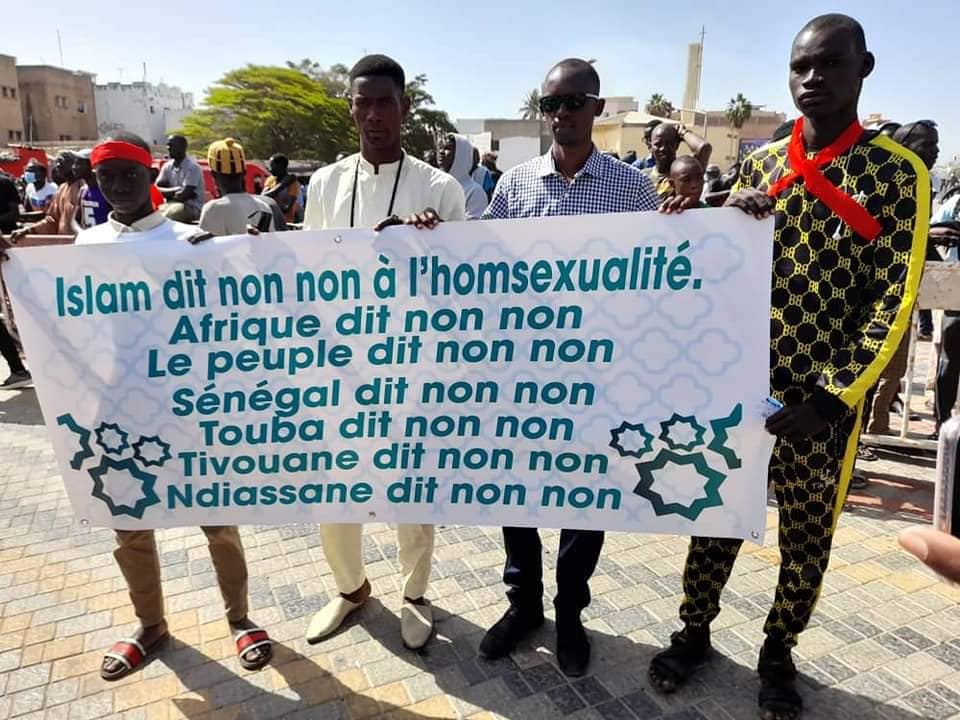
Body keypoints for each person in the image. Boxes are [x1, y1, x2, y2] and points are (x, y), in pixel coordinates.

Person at [647, 15, 929, 720]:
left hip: (821, 405)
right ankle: (694, 631)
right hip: (743, 389)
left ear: (864, 67)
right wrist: (713, 215)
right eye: (801, 66)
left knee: (805, 537)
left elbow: (891, 300)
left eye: (828, 64)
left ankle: (778, 652)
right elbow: (719, 267)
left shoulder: (898, 173)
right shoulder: (764, 166)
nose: (812, 78)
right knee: (715, 516)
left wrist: (832, 400)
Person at [479, 58, 658, 678]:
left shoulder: (633, 188)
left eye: (574, 102)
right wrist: (426, 236)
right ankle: (523, 605)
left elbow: (662, 268)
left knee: (586, 496)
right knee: (517, 489)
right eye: (550, 104)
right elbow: (478, 263)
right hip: (524, 372)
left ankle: (570, 612)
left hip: (598, 373)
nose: (561, 114)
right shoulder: (515, 185)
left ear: (597, 108)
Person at [75, 131, 273, 681]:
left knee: (217, 518)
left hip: (189, 407)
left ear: (151, 175)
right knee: (130, 526)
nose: (118, 186)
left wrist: (245, 258)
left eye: (129, 174)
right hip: (116, 409)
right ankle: (150, 624)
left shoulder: (190, 239)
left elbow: (238, 308)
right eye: (106, 177)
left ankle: (239, 618)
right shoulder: (87, 246)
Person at [302, 54, 464, 651]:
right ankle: (350, 588)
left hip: (412, 368)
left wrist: (433, 243)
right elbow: (308, 268)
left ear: (405, 108)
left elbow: (467, 283)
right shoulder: (324, 183)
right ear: (351, 109)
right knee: (333, 489)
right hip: (340, 367)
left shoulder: (440, 188)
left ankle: (415, 595)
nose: (373, 115)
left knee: (411, 492)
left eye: (384, 103)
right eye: (362, 103)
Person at [860, 120, 940, 437]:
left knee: (894, 368)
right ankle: (863, 433)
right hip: (872, 296)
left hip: (901, 297)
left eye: (936, 145)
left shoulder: (922, 182)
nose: (935, 152)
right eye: (927, 145)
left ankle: (876, 427)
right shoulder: (884, 177)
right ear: (905, 145)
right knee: (866, 367)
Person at [200, 139, 277, 236]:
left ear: (213, 174)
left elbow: (205, 245)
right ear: (244, 172)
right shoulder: (264, 207)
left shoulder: (213, 209)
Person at [12, 152, 83, 238]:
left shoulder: (82, 188)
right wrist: (28, 230)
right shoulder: (62, 189)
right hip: (64, 241)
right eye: (57, 162)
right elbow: (52, 220)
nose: (57, 165)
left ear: (74, 164)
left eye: (61, 161)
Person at [647, 123, 713, 201]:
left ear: (677, 145)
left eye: (669, 143)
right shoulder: (644, 176)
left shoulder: (686, 172)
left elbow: (704, 148)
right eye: (658, 144)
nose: (663, 148)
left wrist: (683, 133)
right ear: (650, 146)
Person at [156, 134, 205, 222]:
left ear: (183, 147)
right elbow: (156, 189)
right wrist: (177, 189)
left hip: (191, 207)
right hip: (170, 204)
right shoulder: (167, 166)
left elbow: (183, 196)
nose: (168, 148)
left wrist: (166, 192)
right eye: (168, 145)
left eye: (172, 145)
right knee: (152, 216)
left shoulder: (193, 167)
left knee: (169, 216)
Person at [438, 134, 488, 219]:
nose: (441, 152)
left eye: (447, 148)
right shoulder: (434, 186)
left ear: (461, 155)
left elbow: (471, 225)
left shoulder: (474, 192)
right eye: (440, 148)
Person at [75, 150, 111, 229]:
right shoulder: (83, 190)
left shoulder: (106, 191)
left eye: (78, 163)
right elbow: (75, 220)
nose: (74, 167)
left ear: (91, 165)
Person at [262, 153, 302, 225]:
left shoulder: (293, 183)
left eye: (272, 166)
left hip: (285, 223)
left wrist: (271, 196)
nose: (270, 169)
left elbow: (286, 208)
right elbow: (263, 197)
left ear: (281, 166)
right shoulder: (271, 179)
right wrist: (282, 185)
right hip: (270, 222)